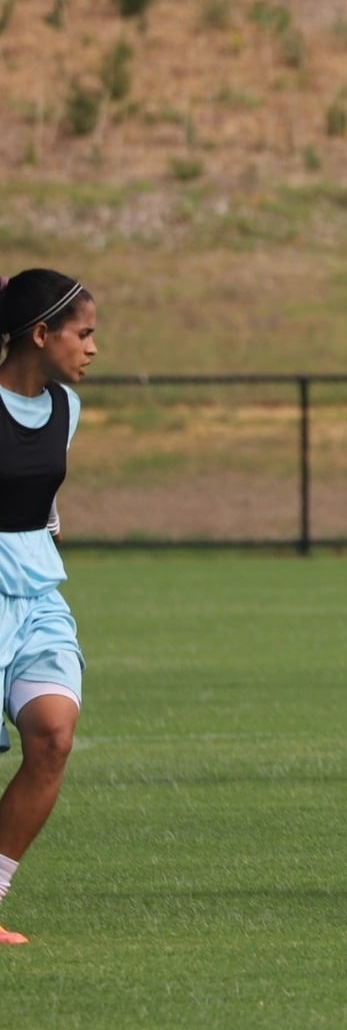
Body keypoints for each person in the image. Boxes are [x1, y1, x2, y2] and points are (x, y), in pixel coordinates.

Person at [0, 270, 98, 945]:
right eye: (82, 334)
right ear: (40, 333)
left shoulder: (67, 407)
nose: (92, 348)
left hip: (36, 591)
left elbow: (45, 497)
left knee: (54, 735)